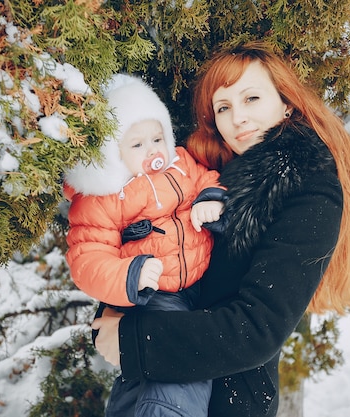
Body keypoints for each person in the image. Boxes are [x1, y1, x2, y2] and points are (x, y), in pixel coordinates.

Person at [91, 41, 350, 417]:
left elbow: (257, 328)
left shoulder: (311, 189)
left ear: (286, 101)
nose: (237, 117)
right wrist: (117, 300)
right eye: (223, 107)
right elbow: (156, 244)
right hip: (155, 384)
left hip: (229, 401)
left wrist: (133, 342)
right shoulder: (207, 174)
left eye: (252, 98)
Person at [63, 74, 226, 416]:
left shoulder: (182, 164)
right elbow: (88, 258)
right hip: (157, 296)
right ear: (113, 154)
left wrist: (210, 200)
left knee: (142, 378)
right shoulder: (104, 198)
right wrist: (129, 275)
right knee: (180, 363)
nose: (152, 150)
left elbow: (209, 180)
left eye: (157, 137)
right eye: (137, 145)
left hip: (201, 285)